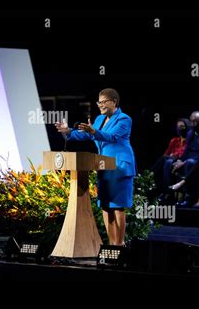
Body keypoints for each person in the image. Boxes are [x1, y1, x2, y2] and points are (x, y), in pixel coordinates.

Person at [55, 88, 136, 246]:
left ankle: (119, 245)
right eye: (99, 102)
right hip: (104, 166)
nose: (100, 105)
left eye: (104, 101)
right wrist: (69, 131)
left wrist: (93, 130)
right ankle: (111, 244)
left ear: (114, 102)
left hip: (120, 166)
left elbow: (112, 137)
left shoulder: (124, 119)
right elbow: (87, 134)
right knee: (106, 206)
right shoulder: (99, 119)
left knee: (118, 206)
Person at [170, 111, 199, 206]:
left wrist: (184, 162)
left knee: (189, 163)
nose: (193, 123)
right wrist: (180, 160)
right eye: (192, 121)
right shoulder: (190, 132)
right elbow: (186, 150)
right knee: (169, 162)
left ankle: (189, 197)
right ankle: (167, 193)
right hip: (189, 159)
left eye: (196, 121)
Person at [151, 118, 189, 200]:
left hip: (180, 162)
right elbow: (166, 153)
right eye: (178, 126)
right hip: (170, 160)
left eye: (182, 126)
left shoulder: (190, 141)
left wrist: (175, 155)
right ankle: (161, 189)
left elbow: (185, 155)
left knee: (167, 160)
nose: (179, 129)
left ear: (187, 127)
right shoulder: (174, 140)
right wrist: (172, 155)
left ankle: (151, 174)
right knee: (166, 160)